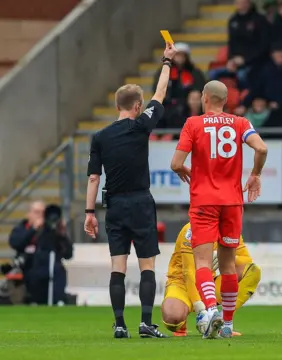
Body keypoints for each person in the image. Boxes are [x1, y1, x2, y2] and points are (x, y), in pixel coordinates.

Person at [84, 42, 177, 339]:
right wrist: (166, 61)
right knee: (147, 264)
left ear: (116, 107)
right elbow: (160, 93)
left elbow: (93, 179)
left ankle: (120, 324)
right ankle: (146, 324)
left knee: (118, 266)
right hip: (140, 201)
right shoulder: (140, 126)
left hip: (114, 205)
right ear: (138, 107)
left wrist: (89, 212)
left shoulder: (99, 137)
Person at [170, 80, 268, 339]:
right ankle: (226, 325)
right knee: (227, 266)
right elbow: (261, 147)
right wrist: (255, 174)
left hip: (204, 201)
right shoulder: (240, 123)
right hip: (232, 202)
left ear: (205, 98)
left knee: (202, 262)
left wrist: (182, 168)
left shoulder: (193, 124)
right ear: (225, 100)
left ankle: (210, 310)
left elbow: (175, 162)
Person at [161, 223, 261, 337]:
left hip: (208, 282)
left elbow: (246, 260)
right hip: (181, 283)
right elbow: (188, 272)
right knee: (172, 319)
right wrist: (200, 310)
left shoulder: (230, 229)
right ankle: (182, 325)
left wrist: (224, 256)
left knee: (253, 271)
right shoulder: (191, 230)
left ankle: (221, 322)